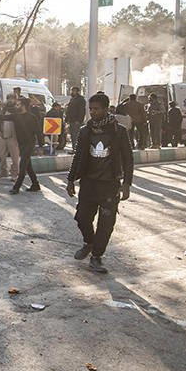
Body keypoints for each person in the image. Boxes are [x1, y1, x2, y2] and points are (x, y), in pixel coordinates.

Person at [66, 93, 134, 274]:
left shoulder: (119, 131)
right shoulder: (85, 131)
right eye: (91, 109)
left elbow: (128, 158)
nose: (93, 112)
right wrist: (71, 179)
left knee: (106, 223)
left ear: (105, 109)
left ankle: (96, 256)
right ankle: (89, 242)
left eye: (96, 109)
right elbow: (78, 156)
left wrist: (127, 183)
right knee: (81, 218)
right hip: (88, 183)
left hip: (109, 185)